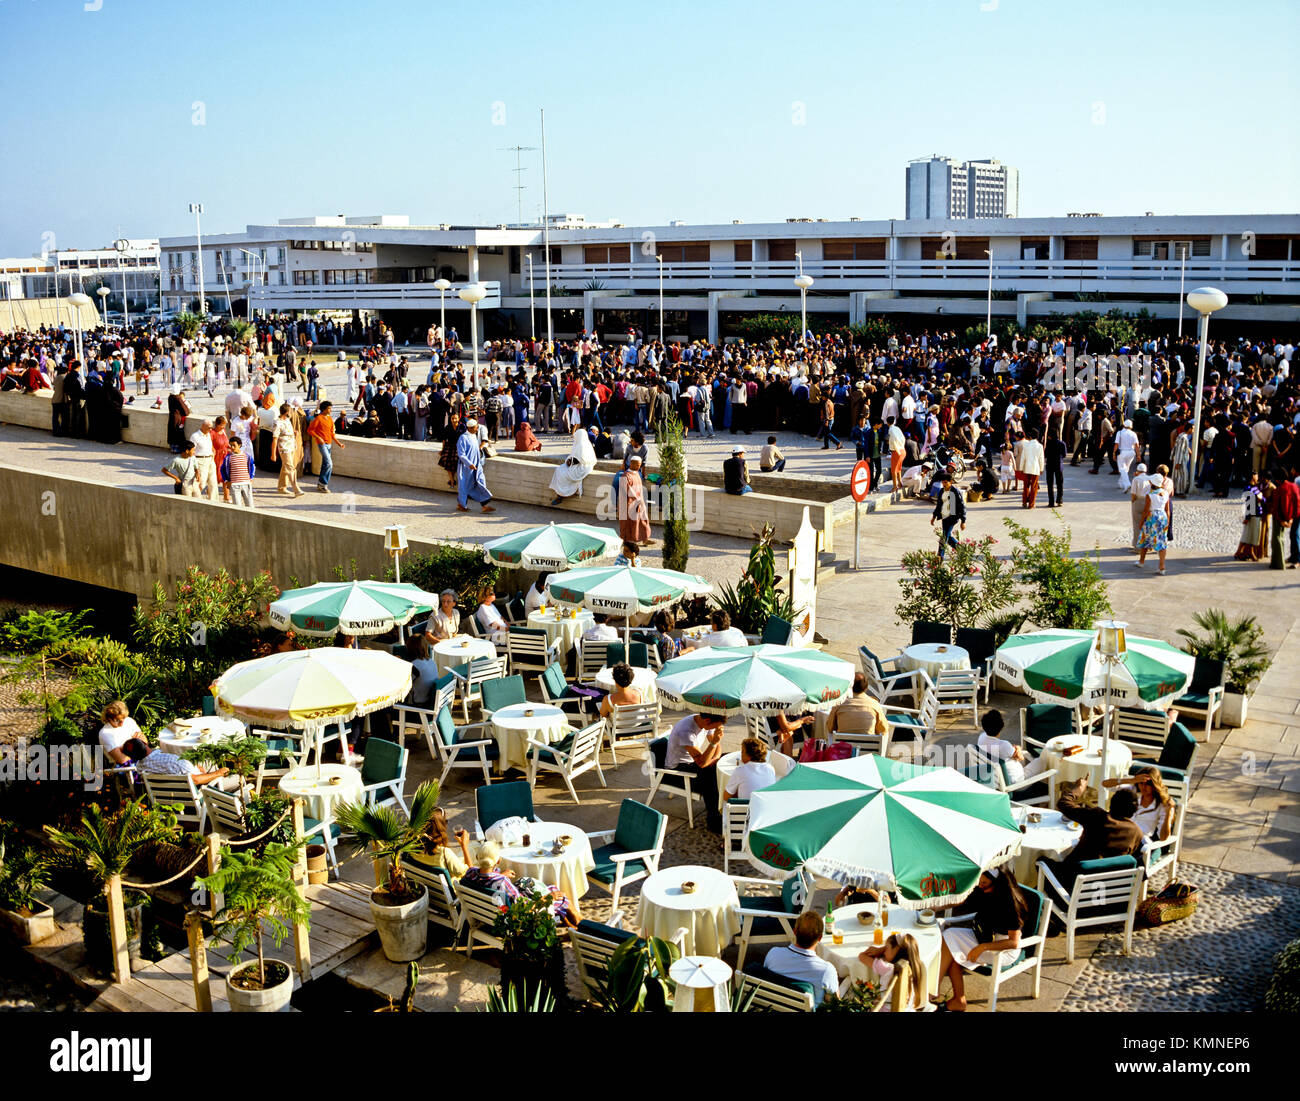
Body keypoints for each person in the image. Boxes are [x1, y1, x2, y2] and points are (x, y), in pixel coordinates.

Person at [933, 864, 1028, 1011]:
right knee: (949, 936)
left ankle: (936, 993)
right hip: (985, 936)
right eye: (979, 882)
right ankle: (947, 996)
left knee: (951, 947)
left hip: (1003, 949)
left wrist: (982, 948)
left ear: (998, 883)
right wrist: (935, 906)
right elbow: (962, 899)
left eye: (984, 884)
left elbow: (1013, 942)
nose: (980, 886)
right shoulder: (984, 890)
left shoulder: (1010, 903)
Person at [1047, 777, 1143, 890]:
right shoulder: (1136, 833)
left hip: (1070, 886)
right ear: (1134, 810)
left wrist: (1079, 789)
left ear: (1112, 804)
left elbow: (1063, 803)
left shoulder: (1097, 816)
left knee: (1042, 861)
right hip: (1107, 890)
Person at [460, 841, 580, 925]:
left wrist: (500, 875)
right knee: (560, 897)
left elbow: (479, 874)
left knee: (546, 888)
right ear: (498, 861)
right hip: (515, 917)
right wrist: (548, 897)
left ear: (477, 857)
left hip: (486, 913)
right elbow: (525, 908)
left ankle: (571, 925)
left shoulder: (470, 874)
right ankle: (582, 928)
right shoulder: (502, 882)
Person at [763, 911, 840, 1008]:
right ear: (820, 938)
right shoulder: (826, 970)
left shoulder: (773, 953)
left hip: (773, 1006)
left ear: (795, 932)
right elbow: (837, 1003)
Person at [665, 711, 726, 831]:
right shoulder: (686, 730)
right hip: (678, 769)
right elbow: (702, 763)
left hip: (694, 762)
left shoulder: (705, 722)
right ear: (708, 721)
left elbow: (715, 748)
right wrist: (714, 743)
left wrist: (714, 758)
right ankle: (714, 821)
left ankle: (725, 807)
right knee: (711, 779)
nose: (716, 730)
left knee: (726, 762)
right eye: (715, 727)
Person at [976, 709, 1047, 787]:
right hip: (1016, 783)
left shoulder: (981, 737)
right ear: (1001, 727)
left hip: (997, 779)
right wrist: (1018, 748)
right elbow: (1021, 758)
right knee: (1041, 761)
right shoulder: (1003, 745)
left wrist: (1015, 751)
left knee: (1024, 754)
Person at [858, 932, 926, 1012]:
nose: (884, 952)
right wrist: (887, 948)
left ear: (897, 949)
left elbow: (862, 956)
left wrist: (879, 950)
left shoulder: (888, 969)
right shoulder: (915, 967)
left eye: (886, 948)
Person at [120, 737, 230, 786]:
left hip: (173, 794)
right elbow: (196, 780)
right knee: (236, 777)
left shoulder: (141, 766)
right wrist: (218, 773)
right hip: (203, 788)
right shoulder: (172, 761)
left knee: (206, 760)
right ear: (144, 743)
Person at [1103, 768, 1173, 842]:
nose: (1143, 787)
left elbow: (1163, 837)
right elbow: (1105, 784)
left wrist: (1168, 813)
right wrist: (1131, 780)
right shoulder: (1133, 791)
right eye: (1141, 783)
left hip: (1140, 841)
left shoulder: (1163, 805)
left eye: (1147, 784)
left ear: (1154, 785)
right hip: (1121, 834)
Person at [826, 673, 889, 743]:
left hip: (843, 749)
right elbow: (883, 729)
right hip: (868, 749)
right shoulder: (874, 704)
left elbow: (830, 728)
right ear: (866, 687)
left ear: (849, 686)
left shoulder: (839, 704)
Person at [418, 808, 476, 877]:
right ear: (440, 827)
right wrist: (464, 846)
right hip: (452, 884)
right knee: (475, 852)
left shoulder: (412, 847)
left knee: (472, 849)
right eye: (445, 821)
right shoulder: (444, 853)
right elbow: (470, 874)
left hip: (428, 881)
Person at [549, 425, 597, 505]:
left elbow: (583, 459)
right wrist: (569, 460)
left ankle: (561, 495)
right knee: (559, 469)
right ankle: (560, 494)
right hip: (578, 464)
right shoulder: (580, 444)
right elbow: (574, 456)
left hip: (583, 467)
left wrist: (571, 462)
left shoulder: (583, 445)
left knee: (563, 472)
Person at [1135, 471, 1172, 574]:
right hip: (1162, 517)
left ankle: (1141, 561)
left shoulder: (1149, 495)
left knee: (1145, 537)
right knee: (1161, 541)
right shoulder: (1165, 493)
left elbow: (1146, 510)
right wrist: (1168, 522)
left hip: (1152, 517)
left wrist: (1141, 522)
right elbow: (1167, 510)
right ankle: (1162, 566)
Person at [457, 418, 496, 513]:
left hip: (476, 466)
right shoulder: (463, 438)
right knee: (464, 486)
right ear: (470, 428)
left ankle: (484, 505)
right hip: (466, 468)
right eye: (475, 427)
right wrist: (469, 464)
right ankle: (462, 505)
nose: (477, 429)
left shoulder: (474, 436)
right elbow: (461, 454)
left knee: (480, 483)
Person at [722, 736, 777, 800]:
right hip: (767, 805)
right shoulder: (770, 768)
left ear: (749, 755)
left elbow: (726, 797)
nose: (741, 754)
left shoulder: (740, 770)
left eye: (742, 752)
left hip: (746, 808)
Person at [308, 400, 345, 494]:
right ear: (324, 409)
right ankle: (324, 484)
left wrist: (338, 443)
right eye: (329, 408)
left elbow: (332, 433)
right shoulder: (318, 419)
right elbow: (310, 430)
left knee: (325, 464)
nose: (330, 410)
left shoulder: (330, 419)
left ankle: (320, 484)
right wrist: (318, 437)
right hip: (322, 444)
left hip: (329, 444)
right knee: (329, 464)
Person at [930, 469, 966, 559]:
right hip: (944, 516)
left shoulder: (955, 492)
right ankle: (961, 550)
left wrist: (963, 521)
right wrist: (934, 516)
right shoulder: (942, 491)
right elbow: (939, 505)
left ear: (951, 482)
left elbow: (962, 506)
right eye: (943, 482)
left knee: (944, 537)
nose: (944, 484)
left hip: (953, 517)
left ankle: (940, 556)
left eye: (946, 482)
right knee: (947, 536)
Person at [618, 455, 652, 547]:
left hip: (639, 502)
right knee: (628, 523)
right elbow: (628, 489)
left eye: (639, 465)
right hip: (628, 503)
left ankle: (645, 538)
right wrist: (637, 499)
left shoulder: (637, 474)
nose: (638, 467)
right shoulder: (625, 476)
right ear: (631, 463)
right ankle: (626, 540)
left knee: (643, 520)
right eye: (637, 465)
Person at [1234, 472, 1267, 561]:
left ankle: (1240, 552)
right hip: (1253, 514)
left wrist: (1262, 499)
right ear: (1252, 478)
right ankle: (1248, 552)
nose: (1258, 478)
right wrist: (1248, 517)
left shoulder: (1255, 488)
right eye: (1256, 477)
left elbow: (1263, 499)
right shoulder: (1249, 489)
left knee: (1249, 534)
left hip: (1256, 513)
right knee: (1250, 534)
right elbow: (1250, 504)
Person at [98, 700, 143, 766]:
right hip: (124, 768)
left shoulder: (129, 721)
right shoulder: (105, 733)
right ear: (109, 718)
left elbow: (144, 742)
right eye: (117, 720)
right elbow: (122, 759)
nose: (121, 724)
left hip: (140, 760)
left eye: (123, 719)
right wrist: (136, 744)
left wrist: (123, 748)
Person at [682, 609, 747, 651]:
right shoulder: (738, 634)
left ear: (715, 625)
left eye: (712, 623)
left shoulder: (708, 640)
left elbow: (698, 650)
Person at [406, 633, 441, 706]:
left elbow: (403, 685)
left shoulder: (414, 666)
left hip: (417, 705)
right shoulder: (432, 661)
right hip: (429, 700)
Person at [221, 436, 256, 508]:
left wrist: (251, 477)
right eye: (231, 445)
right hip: (234, 485)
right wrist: (226, 480)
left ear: (239, 445)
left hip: (246, 484)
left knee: (250, 506)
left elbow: (252, 466)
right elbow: (222, 469)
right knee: (237, 507)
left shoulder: (247, 456)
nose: (232, 447)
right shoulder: (228, 457)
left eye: (234, 445)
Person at [190, 419, 219, 501]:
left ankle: (213, 501)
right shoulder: (195, 436)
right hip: (200, 461)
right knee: (201, 483)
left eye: (211, 428)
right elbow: (191, 451)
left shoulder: (208, 434)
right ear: (203, 426)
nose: (210, 430)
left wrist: (212, 450)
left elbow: (209, 445)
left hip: (210, 459)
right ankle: (196, 499)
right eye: (209, 428)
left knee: (213, 482)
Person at [1018, 429, 1045, 509]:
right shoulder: (1040, 446)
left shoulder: (1026, 445)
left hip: (1026, 468)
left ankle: (1024, 502)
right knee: (1034, 486)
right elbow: (1041, 459)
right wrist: (1041, 468)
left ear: (1030, 436)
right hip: (1035, 468)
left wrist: (1021, 468)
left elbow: (1023, 458)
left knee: (1026, 486)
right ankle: (1031, 504)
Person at [1129, 463, 1152, 548]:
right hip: (1148, 501)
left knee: (1137, 524)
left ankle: (1137, 545)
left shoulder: (1136, 479)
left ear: (1137, 471)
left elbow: (1133, 494)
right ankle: (1148, 545)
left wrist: (1133, 502)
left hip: (1138, 501)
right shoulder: (1149, 478)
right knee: (1147, 524)